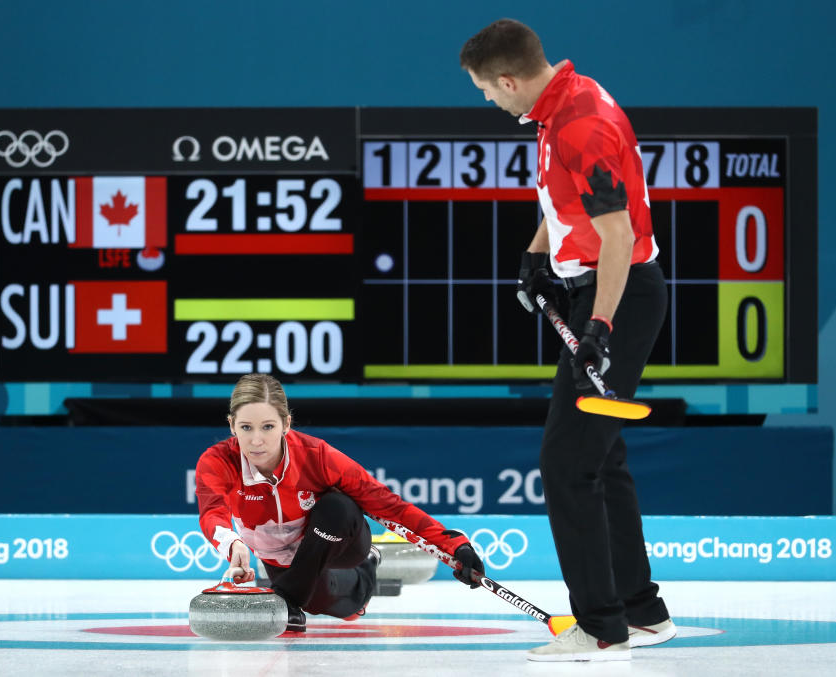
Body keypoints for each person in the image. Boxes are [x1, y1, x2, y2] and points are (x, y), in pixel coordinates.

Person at [460, 19, 675, 662]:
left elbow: (616, 238)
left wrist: (599, 327)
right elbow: (570, 206)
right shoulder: (566, 102)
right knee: (601, 458)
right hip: (601, 291)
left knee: (566, 464)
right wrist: (537, 256)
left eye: (487, 91)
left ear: (507, 79)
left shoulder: (582, 125)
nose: (489, 102)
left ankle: (600, 625)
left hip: (620, 296)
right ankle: (642, 610)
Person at [195, 373, 485, 632]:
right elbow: (212, 513)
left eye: (267, 427)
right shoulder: (218, 461)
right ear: (232, 426)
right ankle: (365, 570)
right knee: (330, 603)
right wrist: (233, 543)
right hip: (281, 558)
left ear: (286, 424)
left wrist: (455, 545)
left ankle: (291, 597)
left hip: (340, 541)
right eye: (246, 427)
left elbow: (389, 505)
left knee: (337, 507)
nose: (257, 440)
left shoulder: (317, 456)